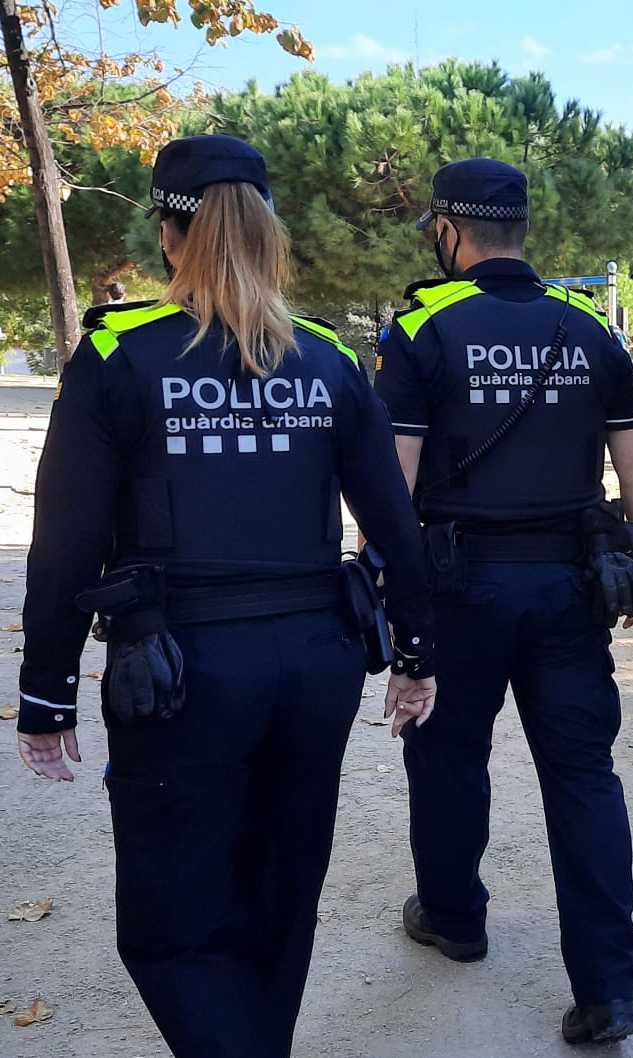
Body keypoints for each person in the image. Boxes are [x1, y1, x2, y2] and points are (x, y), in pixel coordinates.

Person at [14, 134, 436, 1058]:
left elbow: (66, 541)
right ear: (271, 234)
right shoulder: (327, 360)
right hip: (316, 664)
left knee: (172, 925)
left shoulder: (120, 354)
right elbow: (394, 525)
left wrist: (45, 690)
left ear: (170, 236)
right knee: (279, 899)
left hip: (184, 673)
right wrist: (416, 651)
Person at [373, 158, 633, 1046]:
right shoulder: (588, 328)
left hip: (459, 588)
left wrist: (390, 599)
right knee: (583, 775)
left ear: (450, 233)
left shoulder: (421, 327)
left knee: (450, 756)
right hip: (572, 587)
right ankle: (608, 989)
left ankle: (455, 919)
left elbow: (397, 481)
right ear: (520, 230)